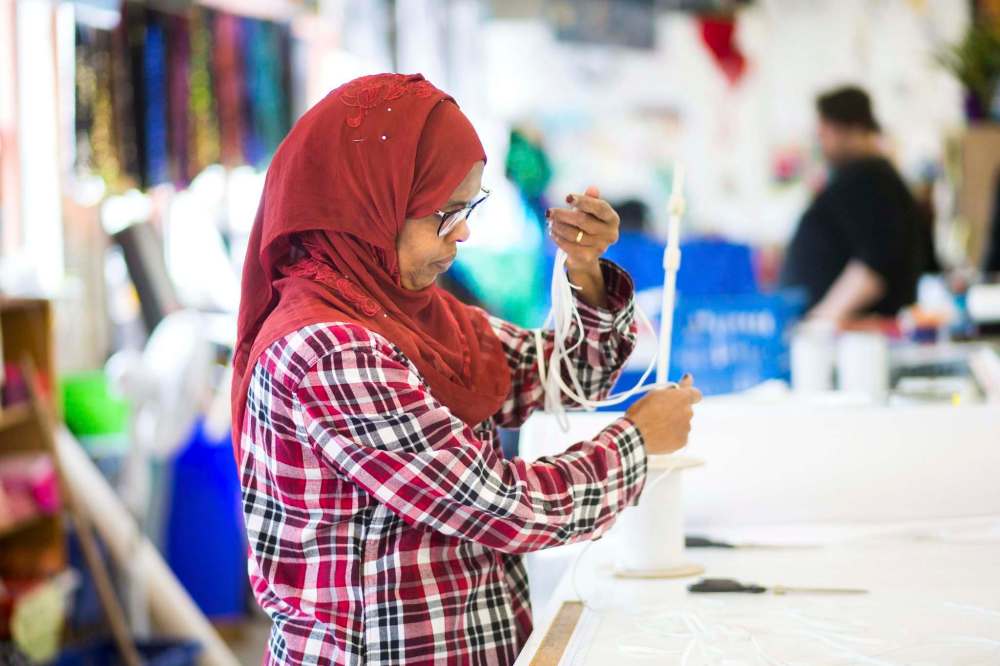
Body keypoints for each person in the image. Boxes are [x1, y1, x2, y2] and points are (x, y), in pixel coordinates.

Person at [231, 73, 701, 665]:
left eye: (469, 207)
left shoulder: (413, 317)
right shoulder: (329, 351)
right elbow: (498, 506)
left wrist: (584, 269)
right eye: (444, 213)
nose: (465, 232)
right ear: (368, 207)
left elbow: (568, 377)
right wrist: (635, 442)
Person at [780, 86, 926, 321]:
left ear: (855, 129)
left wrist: (820, 322)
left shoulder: (869, 179)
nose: (821, 141)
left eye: (826, 132)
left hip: (852, 339)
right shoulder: (866, 178)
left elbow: (873, 269)